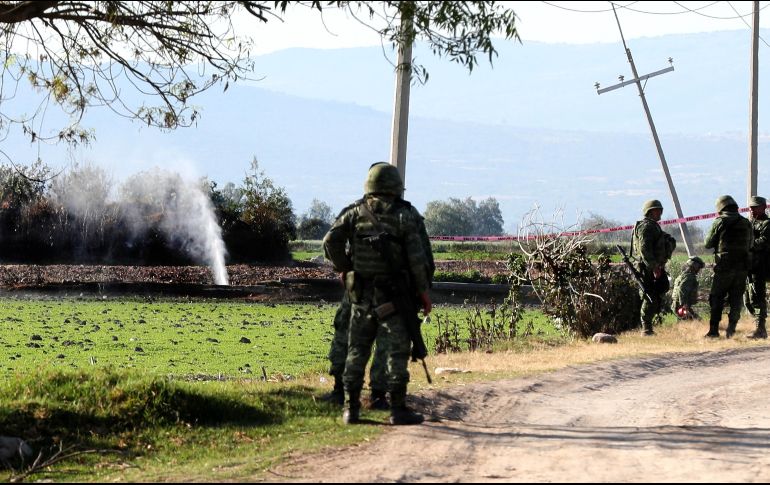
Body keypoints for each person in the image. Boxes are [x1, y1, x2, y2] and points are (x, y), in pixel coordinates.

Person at [323, 162, 434, 426]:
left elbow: (330, 241)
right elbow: (418, 259)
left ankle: (351, 409)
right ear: (396, 187)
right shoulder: (405, 216)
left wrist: (346, 268)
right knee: (396, 350)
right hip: (394, 297)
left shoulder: (355, 213)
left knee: (356, 349)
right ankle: (397, 408)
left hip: (361, 295)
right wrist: (423, 293)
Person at [323, 290, 390, 409]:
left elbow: (342, 273)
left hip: (359, 290)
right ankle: (377, 396)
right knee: (386, 342)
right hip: (388, 293)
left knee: (355, 343)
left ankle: (346, 396)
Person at [704, 195, 753, 338]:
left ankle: (713, 330)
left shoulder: (720, 221)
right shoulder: (746, 222)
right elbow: (750, 244)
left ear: (721, 207)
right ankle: (731, 330)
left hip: (725, 267)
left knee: (716, 297)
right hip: (742, 267)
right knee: (736, 299)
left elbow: (708, 243)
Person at [631, 199, 677, 335]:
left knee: (658, 292)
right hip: (647, 267)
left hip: (653, 266)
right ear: (650, 212)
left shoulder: (653, 226)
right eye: (657, 210)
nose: (660, 213)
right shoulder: (647, 227)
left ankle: (648, 325)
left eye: (660, 210)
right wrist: (654, 266)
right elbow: (645, 249)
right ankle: (646, 329)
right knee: (649, 296)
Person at [744, 196, 770, 339]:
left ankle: (760, 329)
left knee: (757, 296)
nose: (752, 210)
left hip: (761, 266)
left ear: (763, 207)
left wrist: (748, 245)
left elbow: (764, 241)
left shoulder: (767, 224)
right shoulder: (751, 223)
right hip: (751, 266)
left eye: (755, 207)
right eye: (751, 208)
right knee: (748, 299)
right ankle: (760, 325)